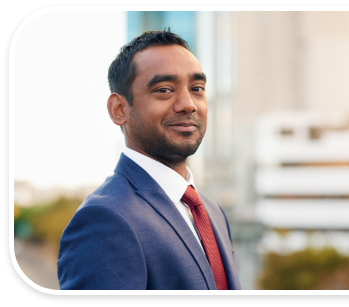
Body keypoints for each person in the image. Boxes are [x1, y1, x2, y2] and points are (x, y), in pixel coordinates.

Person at [57, 30, 241, 290]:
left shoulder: (212, 211)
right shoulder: (104, 219)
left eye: (197, 89)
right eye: (164, 90)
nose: (188, 104)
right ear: (119, 110)